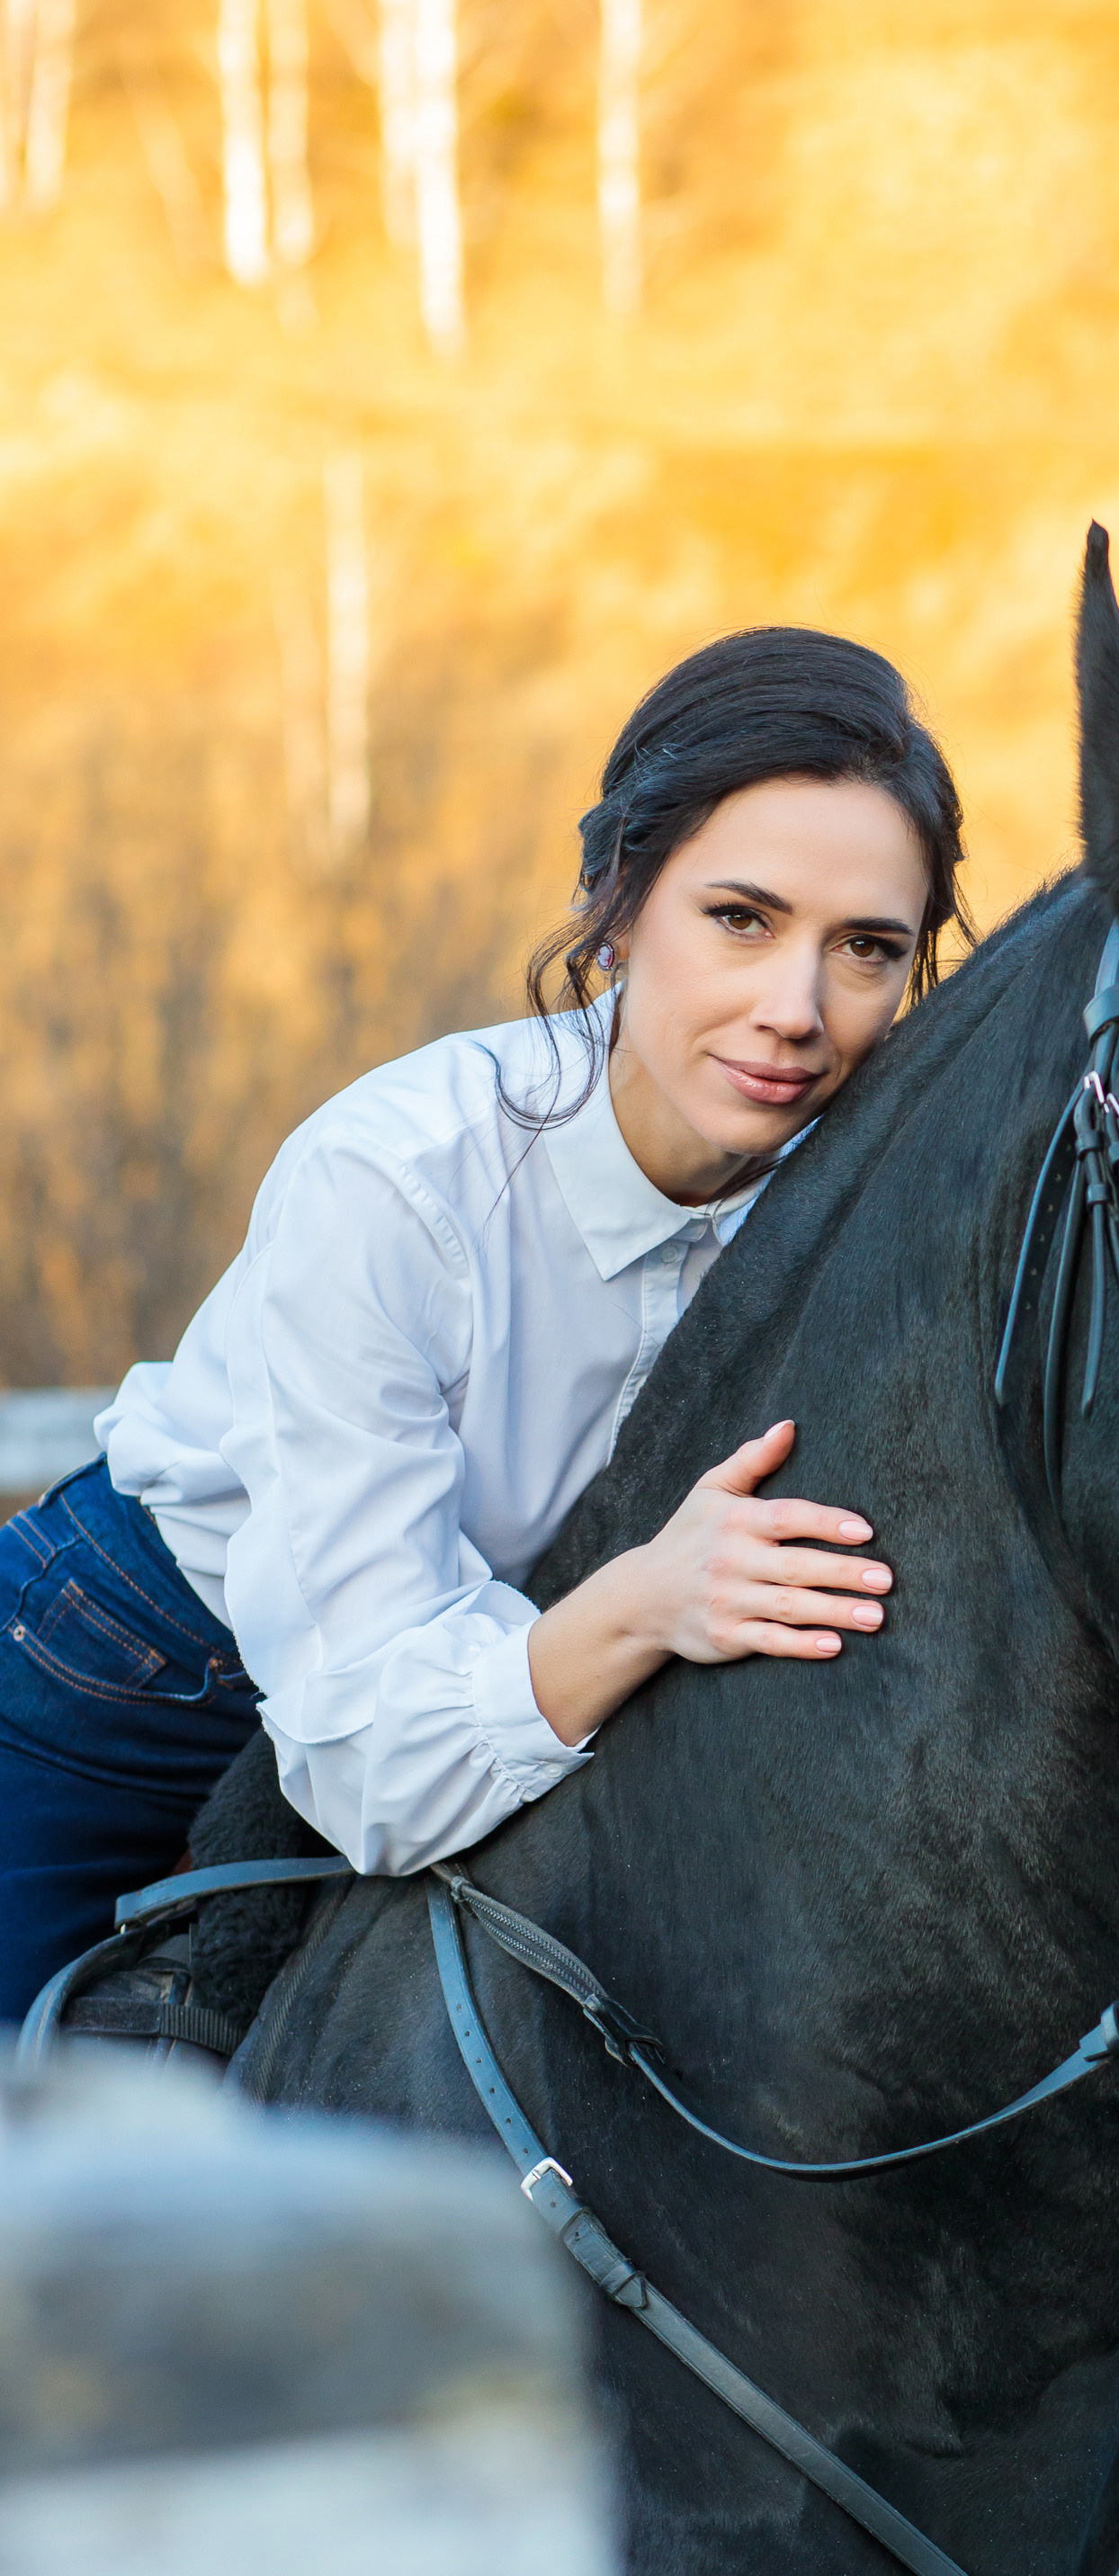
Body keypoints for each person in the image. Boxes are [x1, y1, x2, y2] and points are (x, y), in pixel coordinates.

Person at [0, 628, 967, 2021]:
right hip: (142, 1670)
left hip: (535, 1694)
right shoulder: (392, 1182)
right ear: (617, 902)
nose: (796, 1010)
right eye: (740, 919)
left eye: (867, 949)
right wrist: (645, 1602)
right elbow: (374, 1757)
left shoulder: (863, 1210)